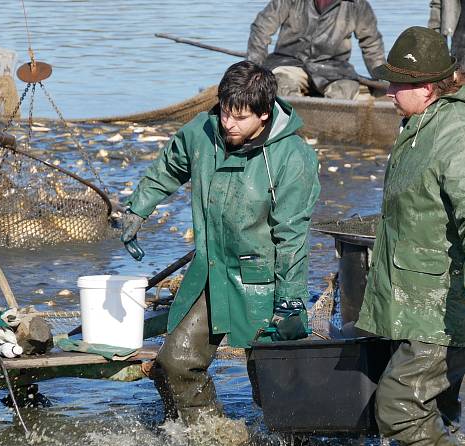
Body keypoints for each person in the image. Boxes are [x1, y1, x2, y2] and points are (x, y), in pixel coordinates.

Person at [119, 61, 320, 424]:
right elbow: (170, 165)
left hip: (265, 282)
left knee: (274, 387)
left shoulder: (293, 158)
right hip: (213, 272)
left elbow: (292, 236)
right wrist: (138, 209)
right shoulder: (204, 131)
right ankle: (211, 440)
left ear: (263, 115)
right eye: (225, 111)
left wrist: (290, 301)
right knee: (174, 363)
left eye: (239, 118)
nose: (228, 123)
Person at [356, 26, 465, 446]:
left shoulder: (458, 136)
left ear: (425, 88)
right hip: (411, 293)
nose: (387, 91)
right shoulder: (421, 123)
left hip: (440, 304)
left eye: (396, 83)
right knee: (436, 407)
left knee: (398, 405)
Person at [246, 0, 385, 100]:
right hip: (289, 64)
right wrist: (253, 71)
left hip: (334, 70)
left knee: (345, 91)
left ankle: (329, 130)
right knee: (281, 84)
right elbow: (261, 29)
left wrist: (385, 79)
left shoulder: (358, 5)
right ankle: (292, 129)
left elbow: (372, 46)